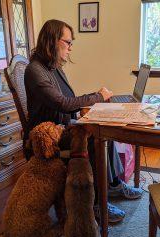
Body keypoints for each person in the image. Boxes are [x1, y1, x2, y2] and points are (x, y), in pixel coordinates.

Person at [24, 19, 142, 223]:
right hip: (48, 136)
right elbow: (62, 103)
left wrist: (95, 98)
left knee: (107, 127)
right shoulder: (34, 70)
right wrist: (98, 96)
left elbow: (68, 101)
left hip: (63, 126)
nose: (70, 48)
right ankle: (96, 204)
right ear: (52, 41)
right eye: (67, 42)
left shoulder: (54, 67)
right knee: (94, 137)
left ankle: (112, 185)